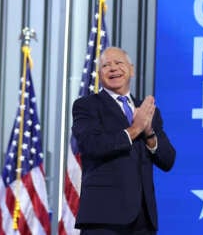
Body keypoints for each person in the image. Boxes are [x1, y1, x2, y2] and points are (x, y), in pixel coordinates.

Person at [72, 46, 176, 234]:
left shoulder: (147, 111)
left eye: (119, 63)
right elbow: (92, 145)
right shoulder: (86, 106)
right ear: (99, 74)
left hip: (143, 220)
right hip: (103, 218)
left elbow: (168, 160)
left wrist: (149, 132)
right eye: (106, 65)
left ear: (132, 70)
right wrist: (135, 129)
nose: (113, 68)